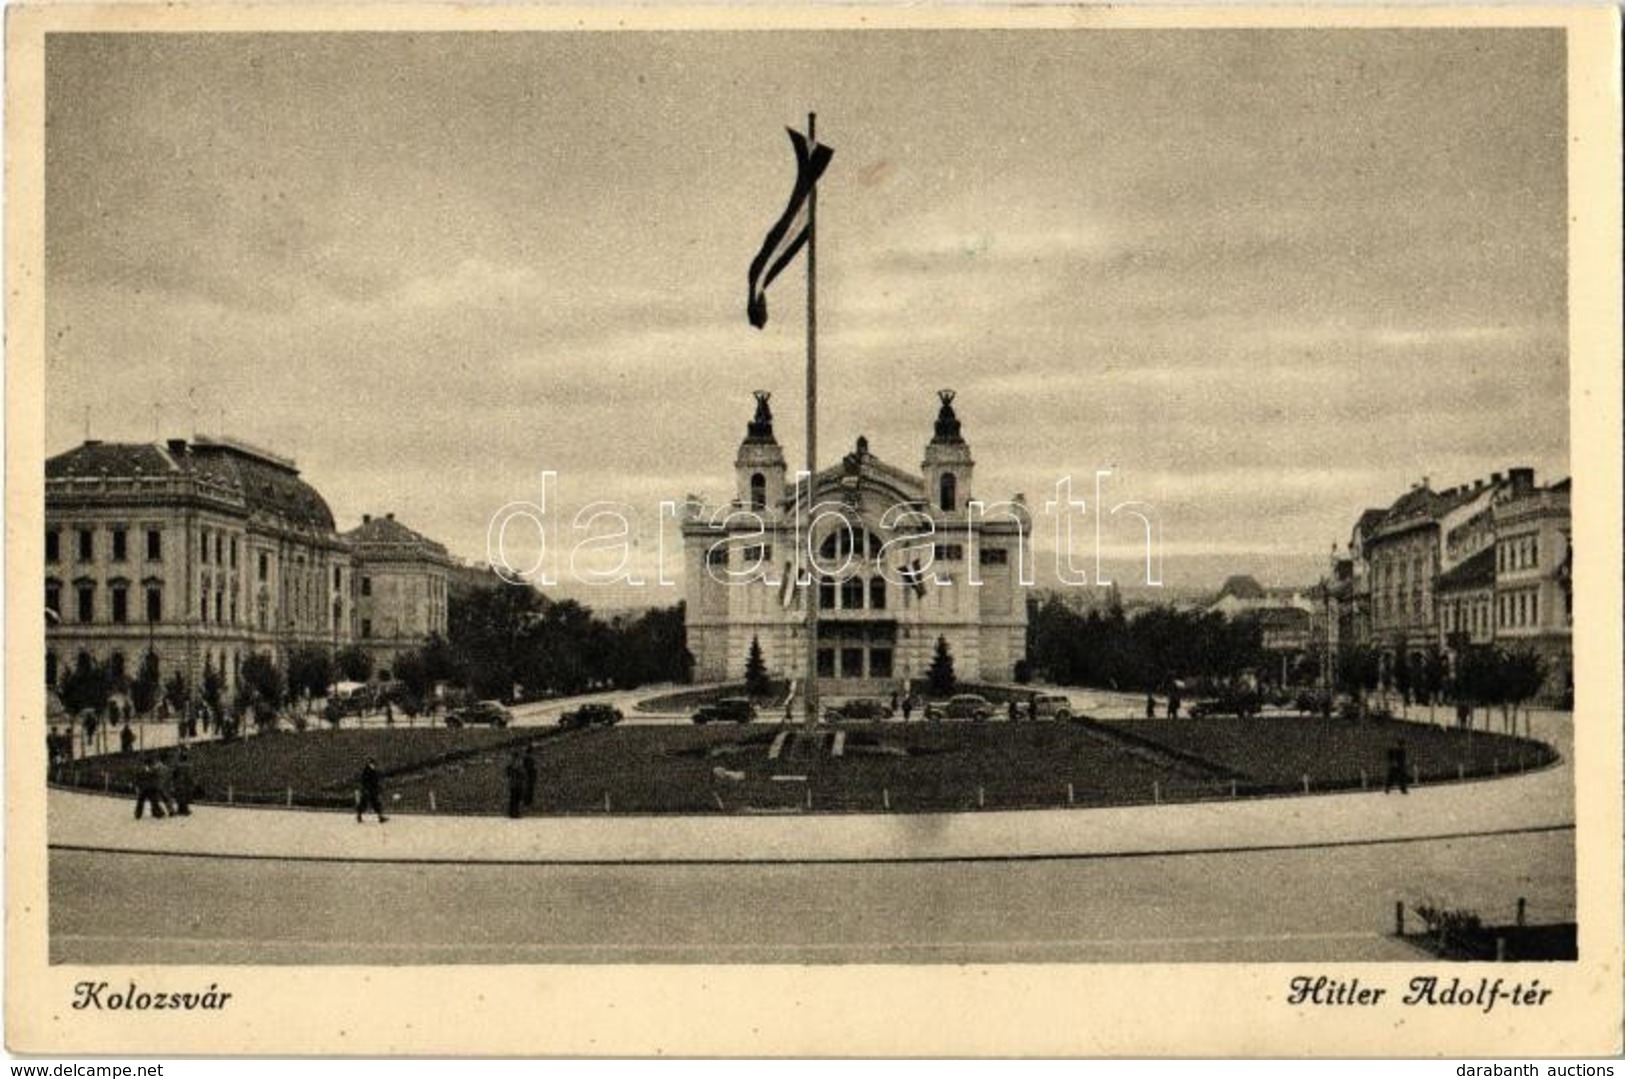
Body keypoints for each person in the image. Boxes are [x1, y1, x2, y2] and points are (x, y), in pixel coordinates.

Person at [356, 757, 387, 823]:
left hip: (370, 790)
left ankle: (380, 817)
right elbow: (365, 781)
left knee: (372, 803)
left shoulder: (370, 771)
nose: (373, 765)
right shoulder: (368, 771)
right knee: (368, 803)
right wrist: (367, 789)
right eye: (372, 764)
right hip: (369, 790)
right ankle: (379, 817)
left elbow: (374, 781)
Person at [170, 747, 194, 816]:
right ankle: (184, 810)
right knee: (184, 796)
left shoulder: (178, 765)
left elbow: (174, 773)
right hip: (185, 783)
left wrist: (173, 781)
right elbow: (190, 775)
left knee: (180, 797)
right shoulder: (189, 766)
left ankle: (181, 809)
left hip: (178, 782)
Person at [505, 752, 527, 819]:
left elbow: (523, 775)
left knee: (515, 800)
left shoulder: (514, 766)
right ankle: (514, 813)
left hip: (515, 785)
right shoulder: (515, 767)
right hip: (516, 785)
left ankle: (514, 813)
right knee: (515, 800)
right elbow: (522, 775)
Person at [522, 744, 539, 809]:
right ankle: (528, 802)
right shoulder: (529, 758)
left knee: (528, 788)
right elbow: (530, 767)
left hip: (528, 775)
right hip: (529, 775)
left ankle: (527, 802)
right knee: (529, 789)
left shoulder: (526, 758)